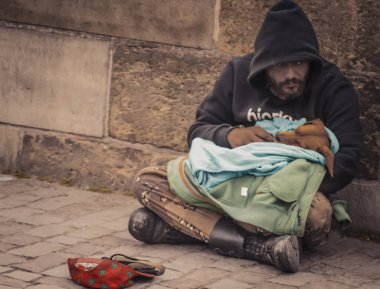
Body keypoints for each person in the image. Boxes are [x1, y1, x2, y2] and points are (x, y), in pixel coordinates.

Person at [127, 0, 362, 273]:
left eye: (299, 64)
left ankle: (181, 228)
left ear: (311, 61)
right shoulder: (238, 73)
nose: (291, 75)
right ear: (263, 67)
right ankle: (257, 246)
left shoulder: (333, 86)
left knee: (318, 217)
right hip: (228, 184)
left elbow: (347, 160)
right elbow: (198, 131)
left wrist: (287, 185)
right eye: (280, 66)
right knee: (147, 181)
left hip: (282, 196)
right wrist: (231, 135)